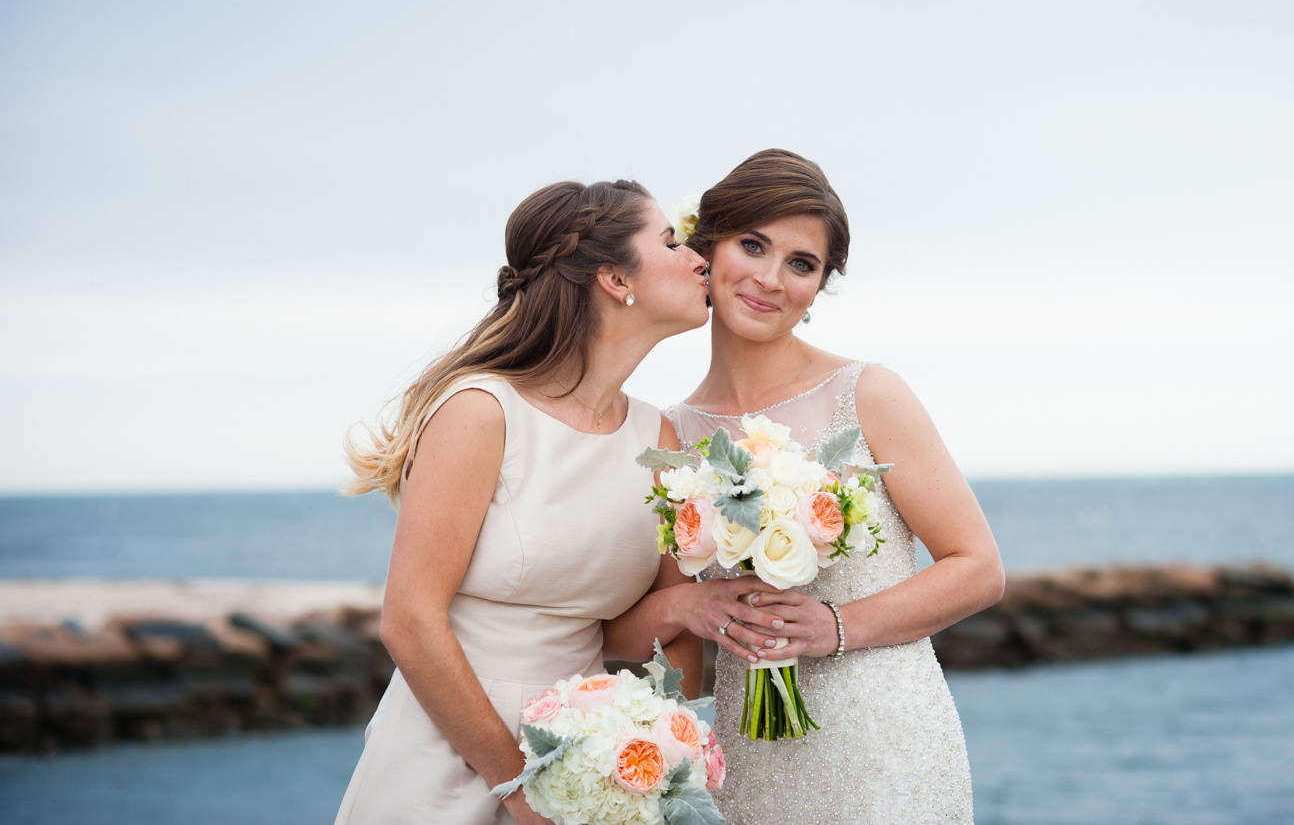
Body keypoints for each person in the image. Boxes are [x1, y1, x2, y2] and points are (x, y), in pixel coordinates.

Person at [612, 149, 1005, 824]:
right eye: (753, 244)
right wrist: (689, 612)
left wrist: (836, 625)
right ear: (708, 247)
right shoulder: (669, 435)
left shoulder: (868, 394)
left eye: (801, 264)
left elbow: (979, 570)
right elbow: (660, 633)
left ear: (819, 287)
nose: (770, 278)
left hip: (888, 742)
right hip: (751, 753)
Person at [334, 178, 713, 825]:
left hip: (592, 768)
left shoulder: (661, 439)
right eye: (672, 241)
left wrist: (665, 754)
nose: (699, 257)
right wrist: (518, 784)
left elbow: (664, 633)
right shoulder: (481, 413)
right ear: (615, 279)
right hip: (448, 762)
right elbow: (409, 621)